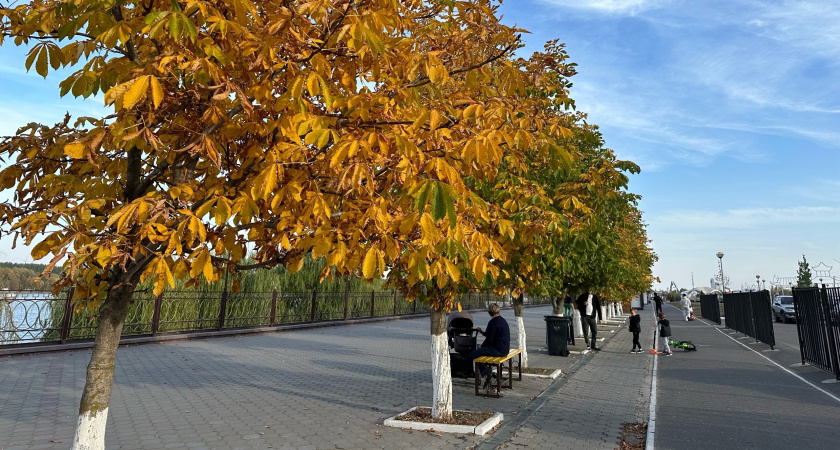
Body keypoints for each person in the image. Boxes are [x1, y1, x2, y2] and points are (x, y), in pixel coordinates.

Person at [470, 303, 511, 390]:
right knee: (480, 351)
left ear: (489, 312)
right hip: (504, 349)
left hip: (497, 350)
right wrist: (482, 332)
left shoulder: (492, 322)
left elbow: (489, 340)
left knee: (473, 354)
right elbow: (491, 335)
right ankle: (487, 373)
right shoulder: (502, 320)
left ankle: (487, 373)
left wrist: (482, 346)